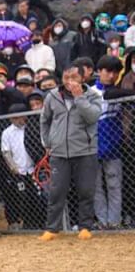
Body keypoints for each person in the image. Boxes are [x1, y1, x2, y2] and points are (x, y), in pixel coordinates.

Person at [39, 67, 102, 240]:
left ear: (82, 78)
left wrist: (79, 97)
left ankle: (85, 227)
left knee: (86, 190)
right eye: (66, 77)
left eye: (74, 77)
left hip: (85, 151)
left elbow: (92, 117)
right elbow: (45, 120)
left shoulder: (93, 96)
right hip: (59, 153)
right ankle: (52, 228)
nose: (69, 81)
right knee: (56, 191)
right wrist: (47, 143)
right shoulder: (52, 96)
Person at [93, 55, 130, 229]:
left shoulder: (120, 93)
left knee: (114, 185)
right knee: (96, 188)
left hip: (113, 148)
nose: (111, 75)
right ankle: (102, 222)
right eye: (108, 71)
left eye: (115, 72)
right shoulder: (90, 92)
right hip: (92, 148)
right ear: (99, 71)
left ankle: (114, 222)